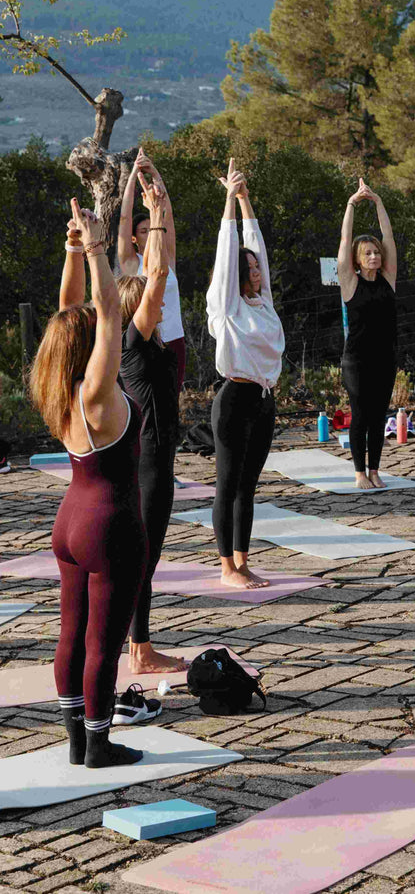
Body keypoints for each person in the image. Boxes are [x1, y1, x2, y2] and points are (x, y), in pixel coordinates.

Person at [31, 199, 147, 768]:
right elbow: (105, 314)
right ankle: (100, 743)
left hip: (69, 520)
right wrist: (99, 249)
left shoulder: (61, 388)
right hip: (109, 525)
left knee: (71, 632)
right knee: (103, 639)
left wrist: (74, 250)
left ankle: (76, 738)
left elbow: (69, 312)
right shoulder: (99, 395)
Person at [116, 168, 187, 675]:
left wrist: (162, 210)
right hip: (148, 467)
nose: (158, 303)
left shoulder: (149, 344)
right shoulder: (134, 345)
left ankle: (138, 644)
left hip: (154, 461)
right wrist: (156, 214)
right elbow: (158, 274)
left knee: (146, 559)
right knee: (142, 560)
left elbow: (162, 276)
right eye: (149, 301)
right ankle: (138, 650)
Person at [207, 158, 284, 589]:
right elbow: (229, 254)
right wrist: (227, 206)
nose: (256, 273)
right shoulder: (227, 307)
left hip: (263, 401)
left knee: (248, 487)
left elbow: (255, 246)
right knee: (227, 484)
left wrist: (244, 197)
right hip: (234, 400)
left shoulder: (263, 302)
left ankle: (242, 560)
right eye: (249, 269)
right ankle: (225, 568)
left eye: (257, 269)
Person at [337, 177, 399, 490]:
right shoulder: (350, 281)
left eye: (376, 252)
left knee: (378, 416)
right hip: (357, 361)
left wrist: (378, 203)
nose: (374, 256)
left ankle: (375, 469)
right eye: (368, 254)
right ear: (358, 260)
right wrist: (351, 204)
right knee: (360, 414)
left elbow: (388, 236)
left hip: (385, 359)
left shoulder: (388, 279)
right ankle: (359, 472)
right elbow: (345, 243)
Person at [117, 147, 186, 393]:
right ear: (134, 238)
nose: (149, 232)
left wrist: (154, 172)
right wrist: (135, 175)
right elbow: (124, 219)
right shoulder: (131, 263)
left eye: (151, 228)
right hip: (144, 342)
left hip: (174, 340)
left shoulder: (167, 258)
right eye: (143, 231)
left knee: (171, 403)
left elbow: (166, 214)